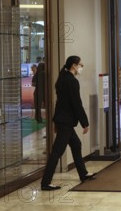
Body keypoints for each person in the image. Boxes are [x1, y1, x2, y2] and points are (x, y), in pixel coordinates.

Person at [41, 56, 96, 191]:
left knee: (76, 145)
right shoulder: (71, 81)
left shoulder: (62, 79)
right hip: (65, 121)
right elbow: (76, 103)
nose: (81, 67)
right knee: (57, 151)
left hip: (63, 120)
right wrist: (85, 123)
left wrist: (56, 121)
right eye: (80, 64)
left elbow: (61, 103)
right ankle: (45, 182)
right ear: (73, 65)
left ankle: (83, 173)